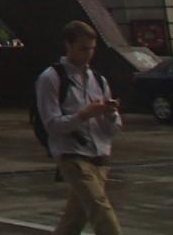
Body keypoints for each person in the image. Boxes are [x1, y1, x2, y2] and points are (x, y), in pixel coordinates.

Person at [36, 20, 123, 235]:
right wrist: (84, 115)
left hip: (100, 155)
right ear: (69, 44)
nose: (88, 54)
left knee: (74, 219)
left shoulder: (99, 80)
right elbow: (52, 125)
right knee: (101, 211)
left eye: (92, 49)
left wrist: (110, 114)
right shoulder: (51, 78)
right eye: (83, 48)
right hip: (72, 154)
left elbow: (112, 130)